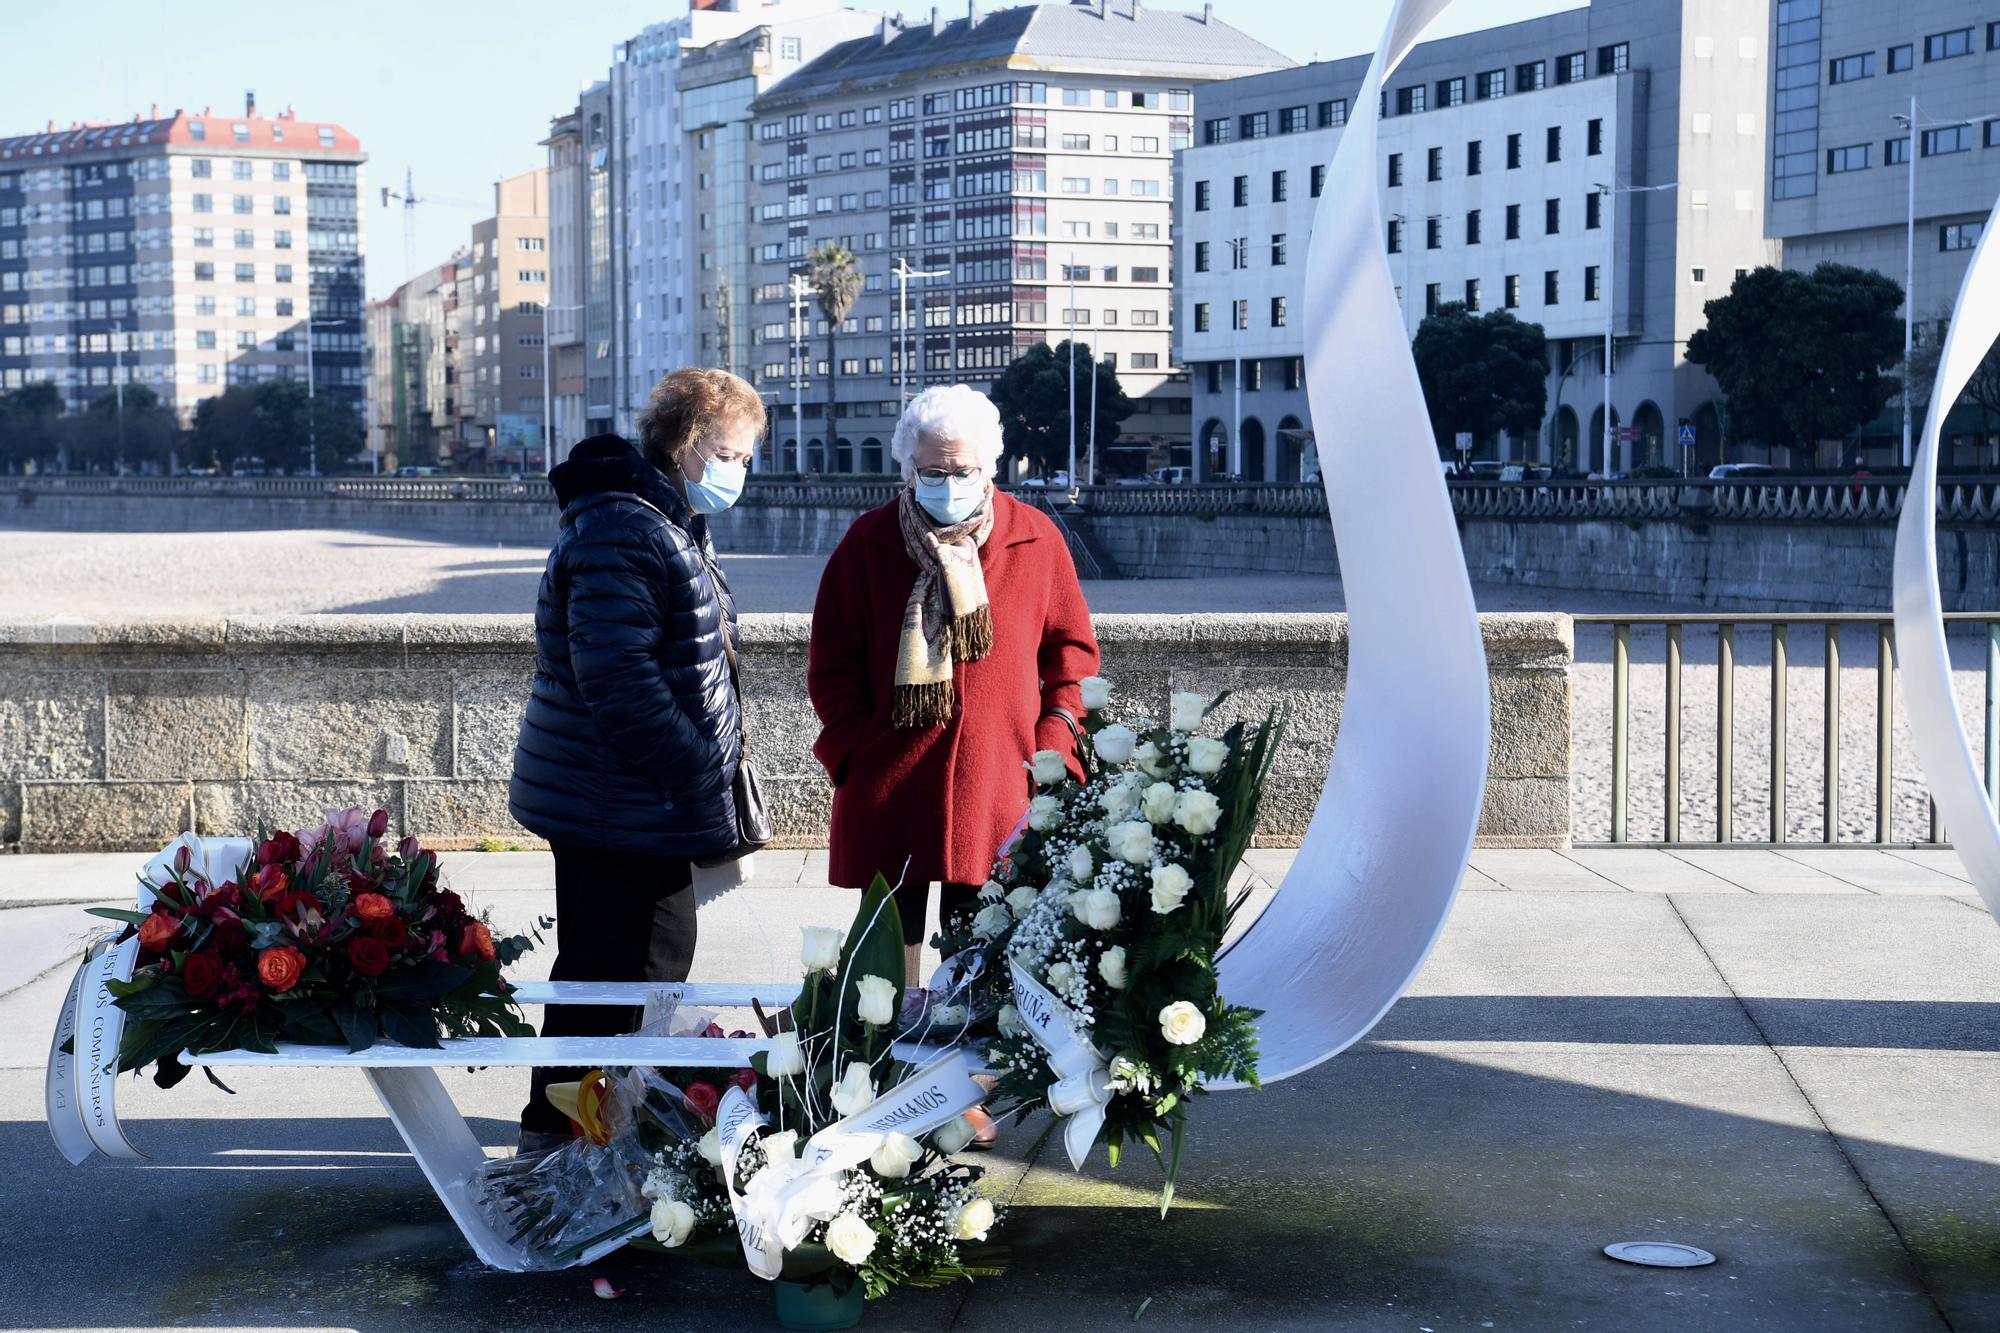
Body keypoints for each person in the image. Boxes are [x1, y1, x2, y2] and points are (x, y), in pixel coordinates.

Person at [508, 367, 762, 1153]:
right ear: (686, 447)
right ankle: (565, 1139)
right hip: (623, 800)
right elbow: (618, 679)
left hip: (623, 797)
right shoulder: (630, 526)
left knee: (612, 971)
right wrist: (695, 771)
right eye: (730, 452)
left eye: (748, 457)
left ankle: (579, 1127)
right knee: (620, 975)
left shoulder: (656, 519)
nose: (738, 471)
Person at [808, 383, 1101, 993]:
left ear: (990, 465)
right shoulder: (868, 540)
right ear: (908, 470)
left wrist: (1053, 744)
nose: (947, 483)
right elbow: (831, 660)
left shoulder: (1036, 537)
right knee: (884, 976)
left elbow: (1071, 655)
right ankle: (885, 1079)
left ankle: (976, 1086)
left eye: (961, 469)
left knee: (986, 962)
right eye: (932, 471)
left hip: (1001, 779)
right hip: (890, 782)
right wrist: (852, 753)